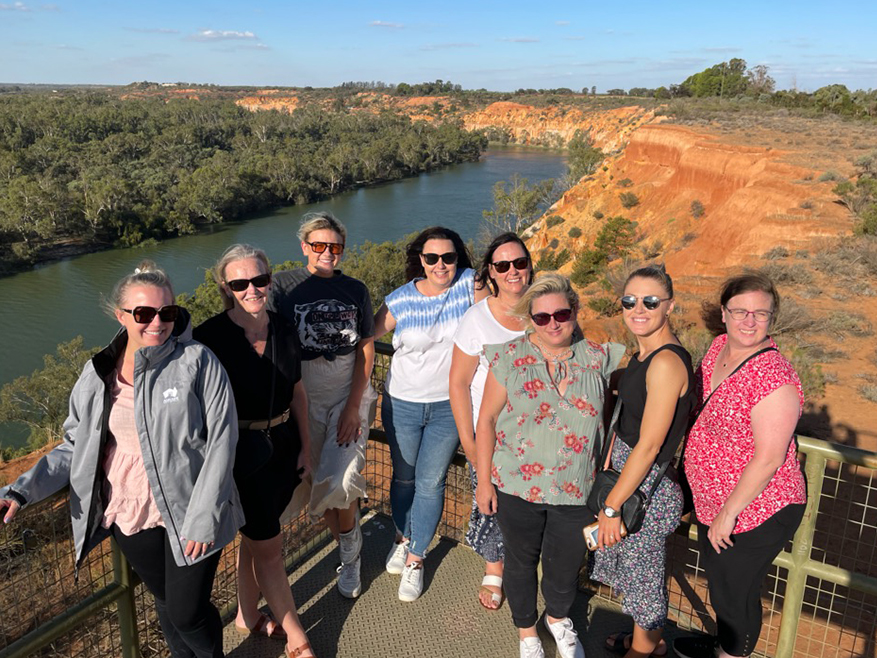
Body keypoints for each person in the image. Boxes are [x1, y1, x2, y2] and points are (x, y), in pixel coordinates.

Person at [0, 261, 242, 658]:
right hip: (130, 509)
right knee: (165, 602)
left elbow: (222, 440)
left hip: (191, 510)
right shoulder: (97, 374)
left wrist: (204, 516)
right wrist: (20, 491)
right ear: (121, 316)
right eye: (144, 314)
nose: (157, 323)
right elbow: (74, 447)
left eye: (168, 313)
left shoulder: (197, 361)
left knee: (187, 612)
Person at [476, 273, 625, 658]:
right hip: (514, 486)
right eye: (541, 317)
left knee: (564, 569)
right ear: (530, 319)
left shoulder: (600, 357)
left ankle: (557, 620)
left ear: (575, 311)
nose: (553, 323)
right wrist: (483, 482)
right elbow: (487, 420)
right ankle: (527, 634)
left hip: (577, 489)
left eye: (561, 313)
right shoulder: (508, 356)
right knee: (521, 562)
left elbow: (620, 414)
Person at [673, 273, 807, 658]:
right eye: (741, 311)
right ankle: (720, 643)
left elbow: (769, 459)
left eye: (760, 314)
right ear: (724, 313)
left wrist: (728, 513)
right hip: (715, 499)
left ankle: (733, 652)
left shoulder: (774, 377)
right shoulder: (718, 349)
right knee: (720, 584)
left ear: (771, 318)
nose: (749, 321)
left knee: (734, 594)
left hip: (756, 508)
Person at [193, 245, 315, 658]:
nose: (252, 289)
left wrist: (307, 448)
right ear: (226, 288)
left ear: (269, 280)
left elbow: (297, 391)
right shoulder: (208, 339)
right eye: (240, 283)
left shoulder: (283, 327)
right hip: (238, 454)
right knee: (270, 548)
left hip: (282, 446)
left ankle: (247, 614)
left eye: (259, 280)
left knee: (255, 537)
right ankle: (298, 637)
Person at [374, 225, 488, 602]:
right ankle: (402, 536)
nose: (441, 265)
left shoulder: (470, 284)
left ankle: (416, 557)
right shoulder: (399, 300)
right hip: (401, 403)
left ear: (459, 259)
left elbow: (507, 302)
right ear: (419, 260)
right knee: (404, 479)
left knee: (431, 481)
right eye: (432, 258)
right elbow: (365, 335)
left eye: (449, 257)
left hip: (447, 406)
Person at [269, 212, 377, 601]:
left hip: (347, 390)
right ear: (304, 248)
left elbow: (366, 344)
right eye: (319, 245)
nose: (327, 252)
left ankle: (350, 557)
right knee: (317, 480)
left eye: (334, 246)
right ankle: (349, 537)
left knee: (344, 481)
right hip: (302, 394)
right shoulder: (282, 286)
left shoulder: (356, 288)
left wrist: (353, 407)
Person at [590, 264, 695, 658]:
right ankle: (646, 641)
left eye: (651, 301)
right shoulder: (643, 355)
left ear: (670, 306)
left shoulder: (666, 362)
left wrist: (612, 505)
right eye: (630, 301)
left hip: (644, 486)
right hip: (630, 477)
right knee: (635, 573)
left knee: (645, 578)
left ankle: (645, 650)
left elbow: (649, 446)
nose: (639, 308)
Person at [449, 232, 533, 611]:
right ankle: (494, 570)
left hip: (536, 434)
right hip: (491, 435)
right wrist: (468, 440)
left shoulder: (545, 309)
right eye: (503, 265)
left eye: (519, 263)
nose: (513, 271)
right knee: (491, 501)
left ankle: (526, 567)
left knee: (528, 507)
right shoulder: (477, 319)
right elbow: (459, 383)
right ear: (492, 273)